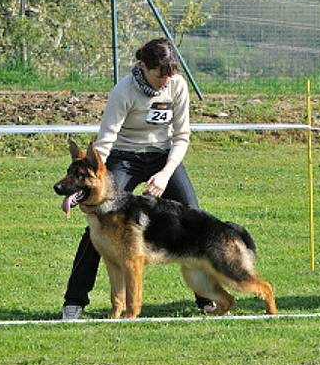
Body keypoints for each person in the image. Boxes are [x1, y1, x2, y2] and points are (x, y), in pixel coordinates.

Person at [61, 37, 214, 320]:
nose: (165, 82)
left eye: (170, 75)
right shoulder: (124, 91)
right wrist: (92, 185)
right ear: (143, 66)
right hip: (125, 157)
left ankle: (207, 298)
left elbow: (182, 136)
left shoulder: (177, 85)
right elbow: (105, 140)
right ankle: (74, 301)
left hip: (163, 157)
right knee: (99, 223)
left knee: (193, 217)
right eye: (159, 75)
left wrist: (165, 174)